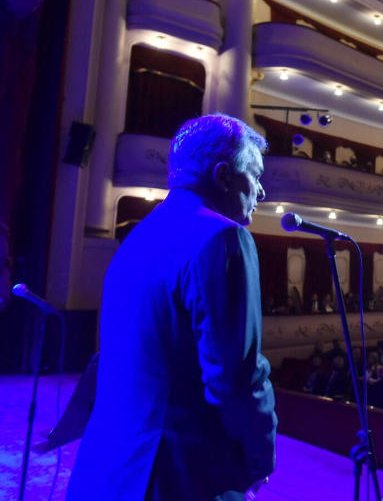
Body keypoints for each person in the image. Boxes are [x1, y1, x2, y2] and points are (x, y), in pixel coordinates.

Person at [68, 115, 276, 501]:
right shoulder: (224, 238)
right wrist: (258, 455)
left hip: (111, 467)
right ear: (224, 176)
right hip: (179, 474)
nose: (261, 192)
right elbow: (234, 378)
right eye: (256, 176)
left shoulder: (137, 236)